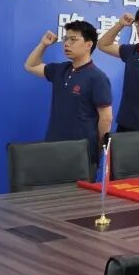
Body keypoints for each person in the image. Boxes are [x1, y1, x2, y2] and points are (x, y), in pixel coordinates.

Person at [24, 21, 112, 173]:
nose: (67, 44)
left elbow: (106, 118)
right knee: (52, 187)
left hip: (81, 153)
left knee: (79, 189)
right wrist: (43, 44)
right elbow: (30, 66)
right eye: (66, 39)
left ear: (88, 45)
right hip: (53, 147)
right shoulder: (61, 70)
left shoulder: (97, 77)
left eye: (73, 39)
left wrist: (98, 147)